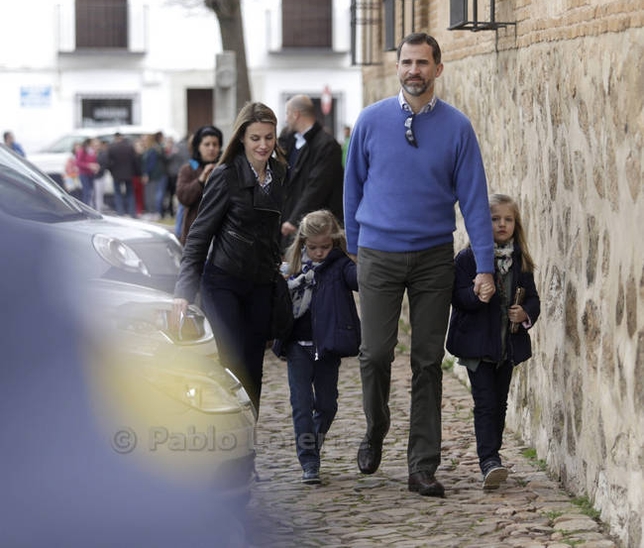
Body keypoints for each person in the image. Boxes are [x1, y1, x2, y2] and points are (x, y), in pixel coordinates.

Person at [343, 32, 496, 498]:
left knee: (428, 362)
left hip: (433, 257)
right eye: (407, 61)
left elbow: (474, 201)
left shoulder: (458, 128)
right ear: (398, 68)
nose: (414, 70)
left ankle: (422, 465)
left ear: (438, 69)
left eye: (423, 62)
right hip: (378, 254)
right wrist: (354, 247)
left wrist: (485, 264)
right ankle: (375, 430)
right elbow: (352, 188)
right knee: (374, 354)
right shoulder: (370, 121)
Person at [173, 102, 287, 414]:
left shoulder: (279, 174)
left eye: (269, 137)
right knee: (231, 363)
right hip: (223, 281)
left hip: (261, 283)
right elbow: (199, 234)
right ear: (241, 139)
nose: (263, 145)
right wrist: (184, 291)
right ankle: (224, 439)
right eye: (255, 138)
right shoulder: (225, 175)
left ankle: (245, 442)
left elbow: (276, 228)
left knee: (253, 368)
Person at [446, 193, 540, 490]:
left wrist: (525, 312)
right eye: (495, 219)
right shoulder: (468, 258)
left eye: (508, 219)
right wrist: (475, 295)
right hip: (478, 348)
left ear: (516, 224)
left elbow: (534, 299)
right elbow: (456, 297)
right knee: (485, 403)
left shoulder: (520, 262)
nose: (502, 224)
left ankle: (494, 455)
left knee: (500, 403)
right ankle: (488, 459)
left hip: (507, 347)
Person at [272, 210, 360, 485]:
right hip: (297, 345)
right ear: (302, 243)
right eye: (313, 247)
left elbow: (360, 280)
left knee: (327, 405)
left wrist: (364, 253)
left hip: (328, 346)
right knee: (301, 404)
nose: (319, 253)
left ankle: (311, 442)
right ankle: (309, 460)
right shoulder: (292, 268)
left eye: (325, 247)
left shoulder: (341, 266)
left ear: (335, 242)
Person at [279, 94, 344, 253]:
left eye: (287, 114)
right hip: (293, 220)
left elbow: (317, 187)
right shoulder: (290, 140)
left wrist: (294, 220)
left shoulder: (327, 146)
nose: (286, 119)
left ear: (296, 114)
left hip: (318, 229)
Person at [175, 126, 223, 245]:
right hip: (195, 236)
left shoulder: (225, 168)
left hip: (221, 237)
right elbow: (183, 197)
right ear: (198, 147)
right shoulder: (188, 169)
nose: (211, 148)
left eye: (215, 144)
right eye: (207, 144)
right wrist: (201, 179)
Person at [107, 132, 141, 217]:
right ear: (122, 137)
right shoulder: (129, 147)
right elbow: (135, 161)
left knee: (118, 193)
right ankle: (132, 212)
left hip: (116, 175)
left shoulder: (112, 148)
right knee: (130, 193)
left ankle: (120, 212)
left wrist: (112, 171)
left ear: (115, 138)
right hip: (129, 174)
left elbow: (108, 162)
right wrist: (137, 173)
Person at [141, 131, 168, 219]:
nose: (143, 142)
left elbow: (151, 164)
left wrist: (146, 174)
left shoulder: (153, 150)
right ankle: (153, 212)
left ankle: (156, 212)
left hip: (155, 176)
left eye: (145, 140)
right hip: (154, 175)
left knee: (155, 195)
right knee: (152, 194)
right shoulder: (149, 150)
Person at [75, 137, 100, 206]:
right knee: (87, 192)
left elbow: (93, 160)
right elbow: (78, 163)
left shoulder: (92, 151)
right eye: (94, 142)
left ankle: (90, 206)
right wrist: (88, 165)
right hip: (84, 174)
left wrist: (96, 166)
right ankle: (85, 206)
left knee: (91, 192)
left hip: (91, 173)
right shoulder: (82, 151)